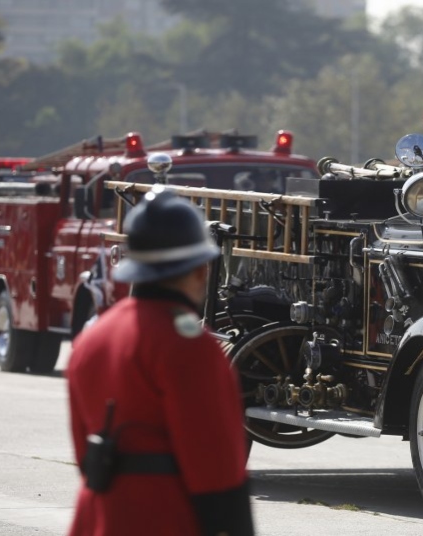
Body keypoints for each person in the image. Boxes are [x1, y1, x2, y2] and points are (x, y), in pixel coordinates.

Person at [65, 186, 254, 536]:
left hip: (97, 516)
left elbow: (82, 452)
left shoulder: (91, 339)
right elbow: (217, 467)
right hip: (165, 517)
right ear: (199, 269)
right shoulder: (188, 345)